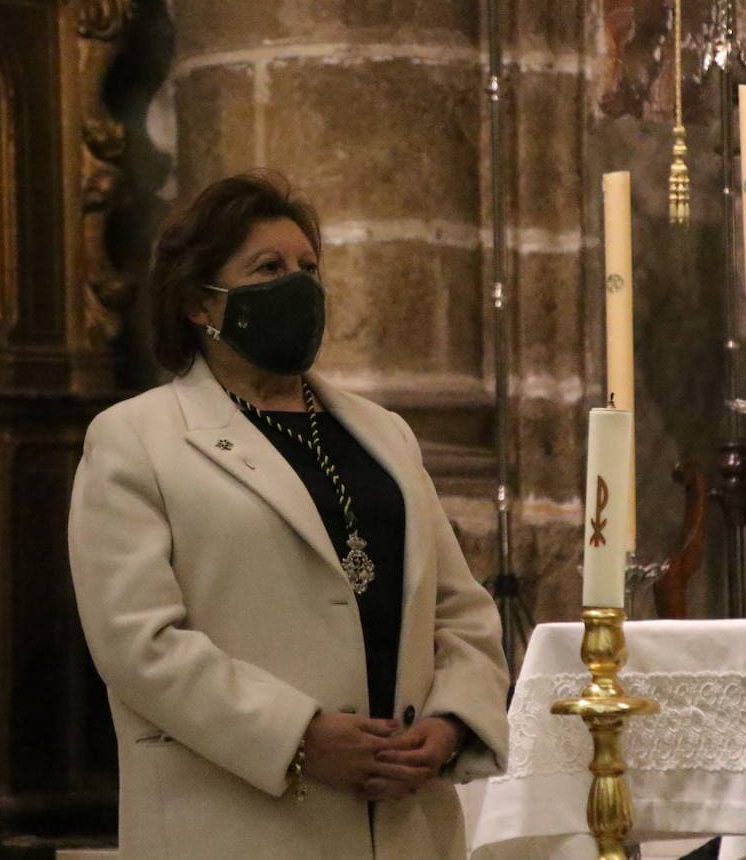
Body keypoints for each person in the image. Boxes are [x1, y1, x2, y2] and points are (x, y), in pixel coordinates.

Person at [68, 171, 509, 859]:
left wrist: (452, 721)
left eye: (308, 267)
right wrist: (299, 735)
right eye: (267, 269)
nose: (297, 286)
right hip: (238, 820)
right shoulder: (137, 439)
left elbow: (459, 610)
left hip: (402, 822)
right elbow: (139, 643)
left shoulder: (382, 434)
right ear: (198, 303)